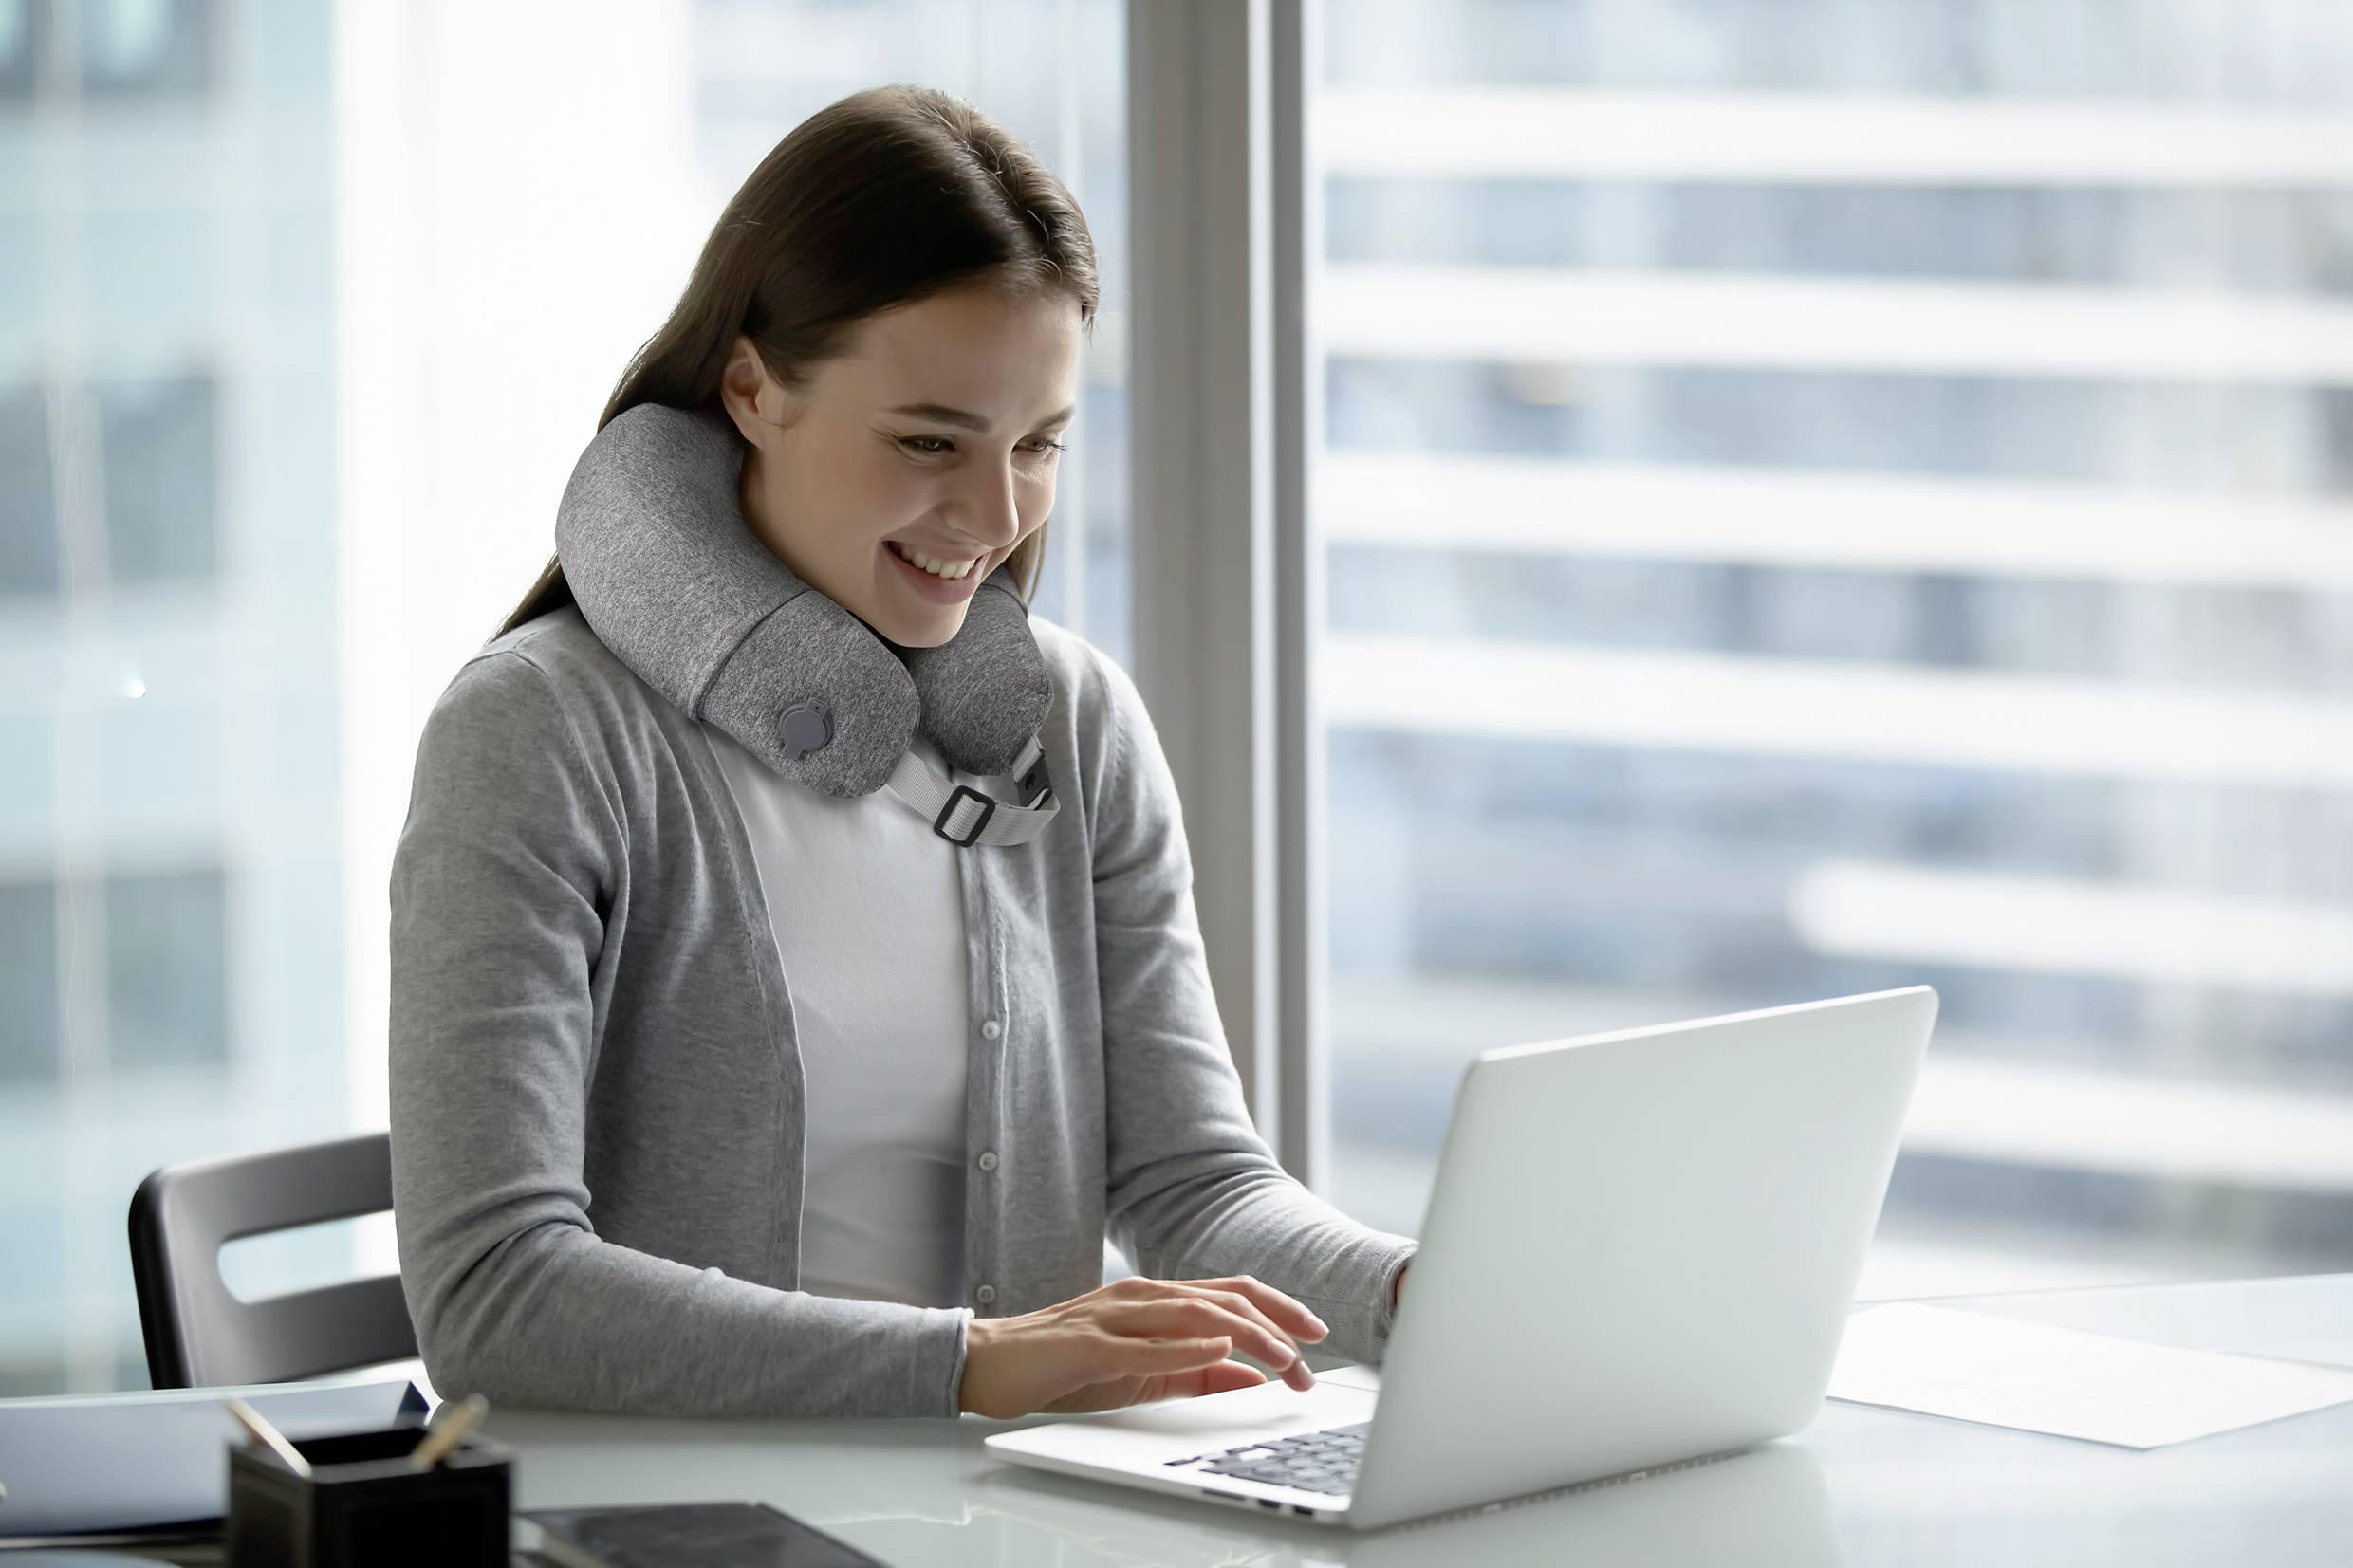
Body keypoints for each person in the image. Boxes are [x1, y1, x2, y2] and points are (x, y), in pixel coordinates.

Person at [388, 83, 1414, 1421]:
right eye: (931, 440)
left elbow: (1193, 1184)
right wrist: (977, 1364)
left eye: (1037, 445)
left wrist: (1417, 1294)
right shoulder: (537, 735)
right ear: (752, 386)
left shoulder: (1069, 724)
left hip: (1009, 1520)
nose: (993, 516)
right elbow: (495, 1293)